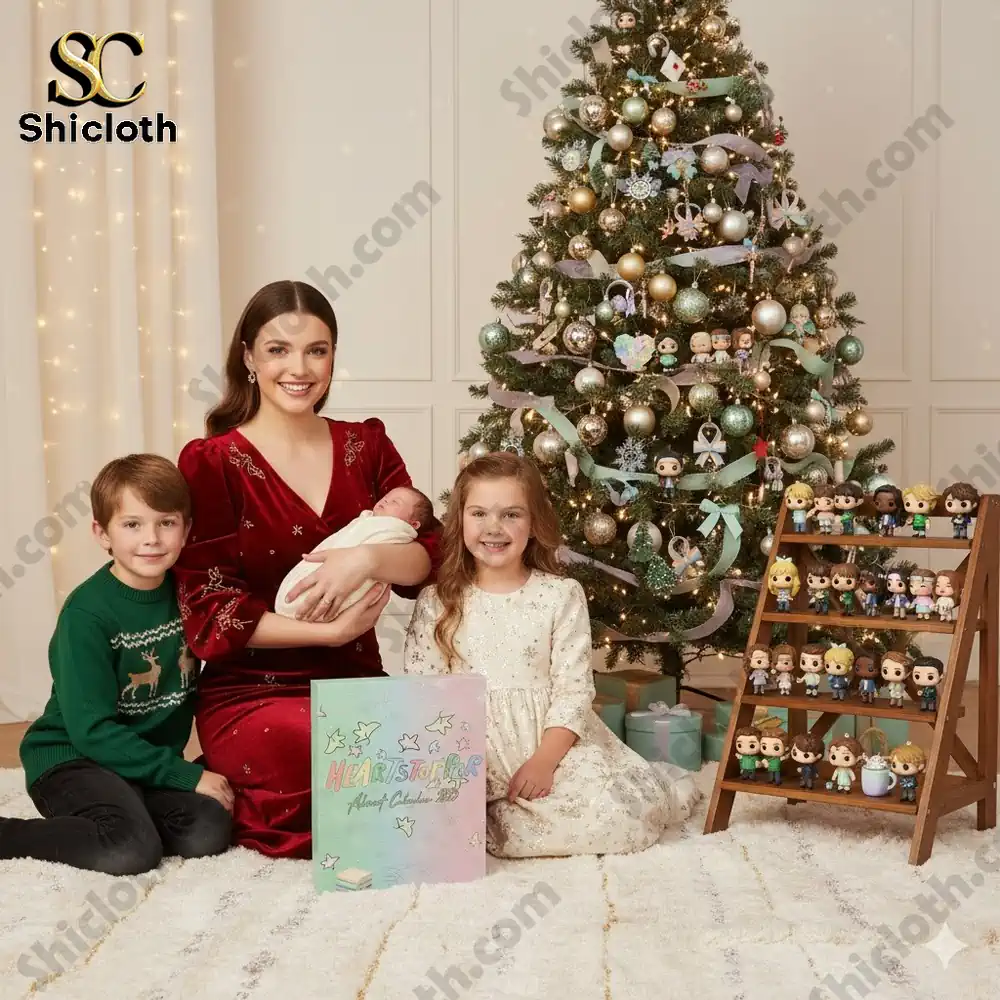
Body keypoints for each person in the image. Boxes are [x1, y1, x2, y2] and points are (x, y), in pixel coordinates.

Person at [173, 280, 440, 859]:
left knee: (443, 744)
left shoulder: (365, 445)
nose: (299, 367)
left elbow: (429, 559)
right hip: (252, 689)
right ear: (248, 357)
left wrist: (368, 558)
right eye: (278, 350)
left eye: (316, 350)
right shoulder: (212, 462)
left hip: (354, 679)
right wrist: (330, 631)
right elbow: (210, 614)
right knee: (329, 746)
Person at [402, 452, 696, 858]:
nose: (494, 528)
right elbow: (424, 692)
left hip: (553, 744)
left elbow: (574, 689)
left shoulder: (560, 595)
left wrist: (544, 762)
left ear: (534, 522)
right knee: (436, 824)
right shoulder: (438, 601)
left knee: (621, 818)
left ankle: (647, 786)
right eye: (479, 514)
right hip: (472, 754)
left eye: (511, 515)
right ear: (460, 520)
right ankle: (493, 817)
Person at [0, 456, 232, 874]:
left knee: (207, 830)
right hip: (72, 757)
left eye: (167, 522)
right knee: (127, 849)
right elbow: (92, 731)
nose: (152, 539)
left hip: (140, 760)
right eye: (132, 525)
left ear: (187, 529)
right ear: (101, 534)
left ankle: (127, 806)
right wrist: (184, 775)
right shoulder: (87, 614)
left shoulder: (190, 594)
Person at [275, 486, 436, 618]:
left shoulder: (395, 533)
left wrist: (364, 559)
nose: (386, 500)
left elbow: (433, 550)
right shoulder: (365, 521)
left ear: (413, 524)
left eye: (395, 502)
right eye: (386, 496)